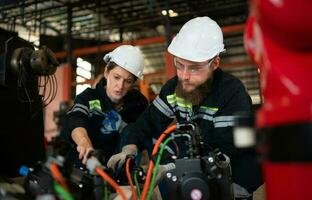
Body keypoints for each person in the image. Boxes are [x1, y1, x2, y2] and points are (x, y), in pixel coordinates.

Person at [108, 17, 263, 199]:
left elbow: (227, 153)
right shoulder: (173, 89)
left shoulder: (232, 94)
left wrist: (168, 169)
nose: (184, 76)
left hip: (234, 176)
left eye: (194, 68)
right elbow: (146, 122)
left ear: (214, 63)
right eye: (179, 65)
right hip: (192, 174)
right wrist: (129, 148)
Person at [63, 45, 148, 166]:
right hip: (87, 166)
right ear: (106, 72)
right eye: (116, 77)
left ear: (133, 82)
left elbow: (145, 132)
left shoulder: (139, 103)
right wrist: (83, 141)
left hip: (123, 172)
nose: (120, 86)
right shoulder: (88, 97)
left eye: (128, 81)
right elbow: (76, 118)